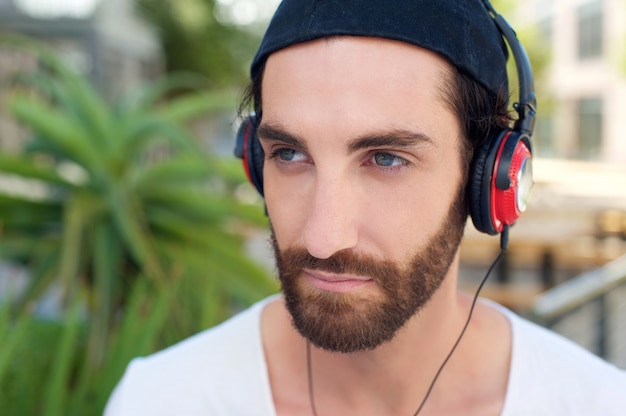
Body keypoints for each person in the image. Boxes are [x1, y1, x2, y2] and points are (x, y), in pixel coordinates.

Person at [105, 1, 626, 415]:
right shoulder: (159, 400)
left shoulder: (597, 403)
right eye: (288, 154)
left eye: (386, 159)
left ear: (490, 178)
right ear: (256, 165)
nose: (322, 238)